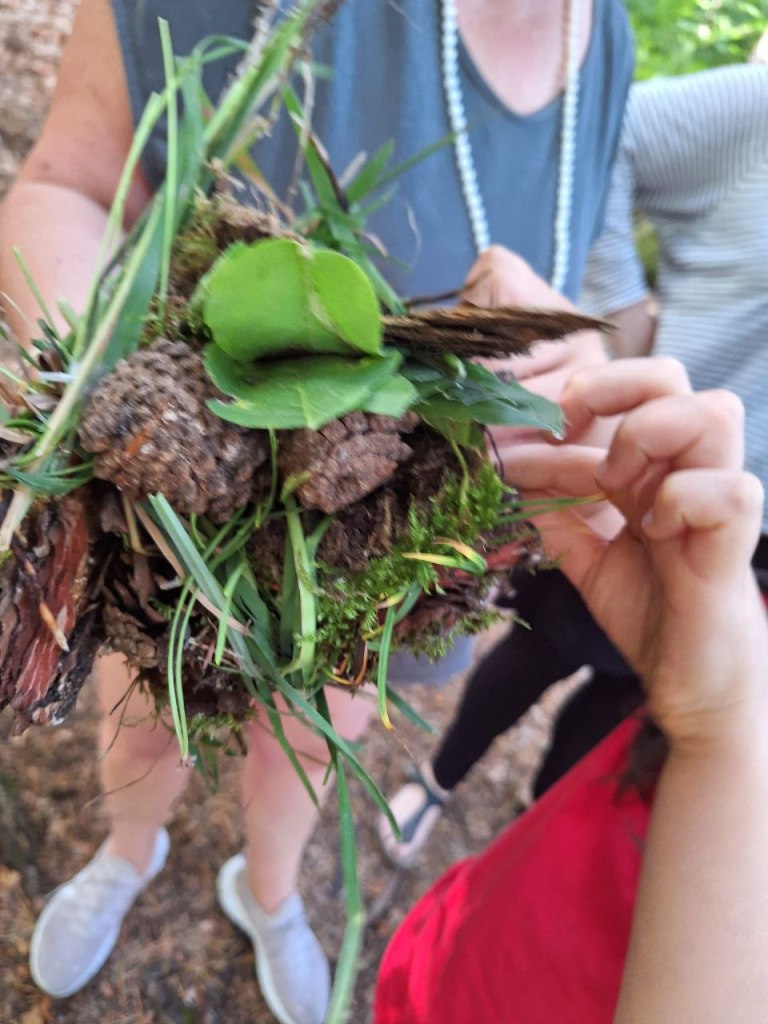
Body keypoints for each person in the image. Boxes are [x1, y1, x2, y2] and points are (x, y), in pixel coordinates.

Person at [0, 0, 631, 1020]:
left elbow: (598, 278)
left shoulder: (609, 41)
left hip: (384, 564)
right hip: (175, 519)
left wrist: (577, 358)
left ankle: (268, 893)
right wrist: (112, 418)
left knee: (310, 737)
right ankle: (127, 851)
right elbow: (72, 180)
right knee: (150, 711)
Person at [380, 58, 768, 867]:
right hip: (650, 487)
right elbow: (612, 127)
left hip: (755, 565)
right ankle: (440, 776)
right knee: (540, 644)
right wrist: (617, 320)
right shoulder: (755, 112)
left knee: (629, 705)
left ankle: (531, 831)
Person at [374, 355, 768, 1023]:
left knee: (604, 724)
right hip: (672, 509)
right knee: (539, 651)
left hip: (722, 656)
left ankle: (536, 810)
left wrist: (721, 727)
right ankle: (441, 779)